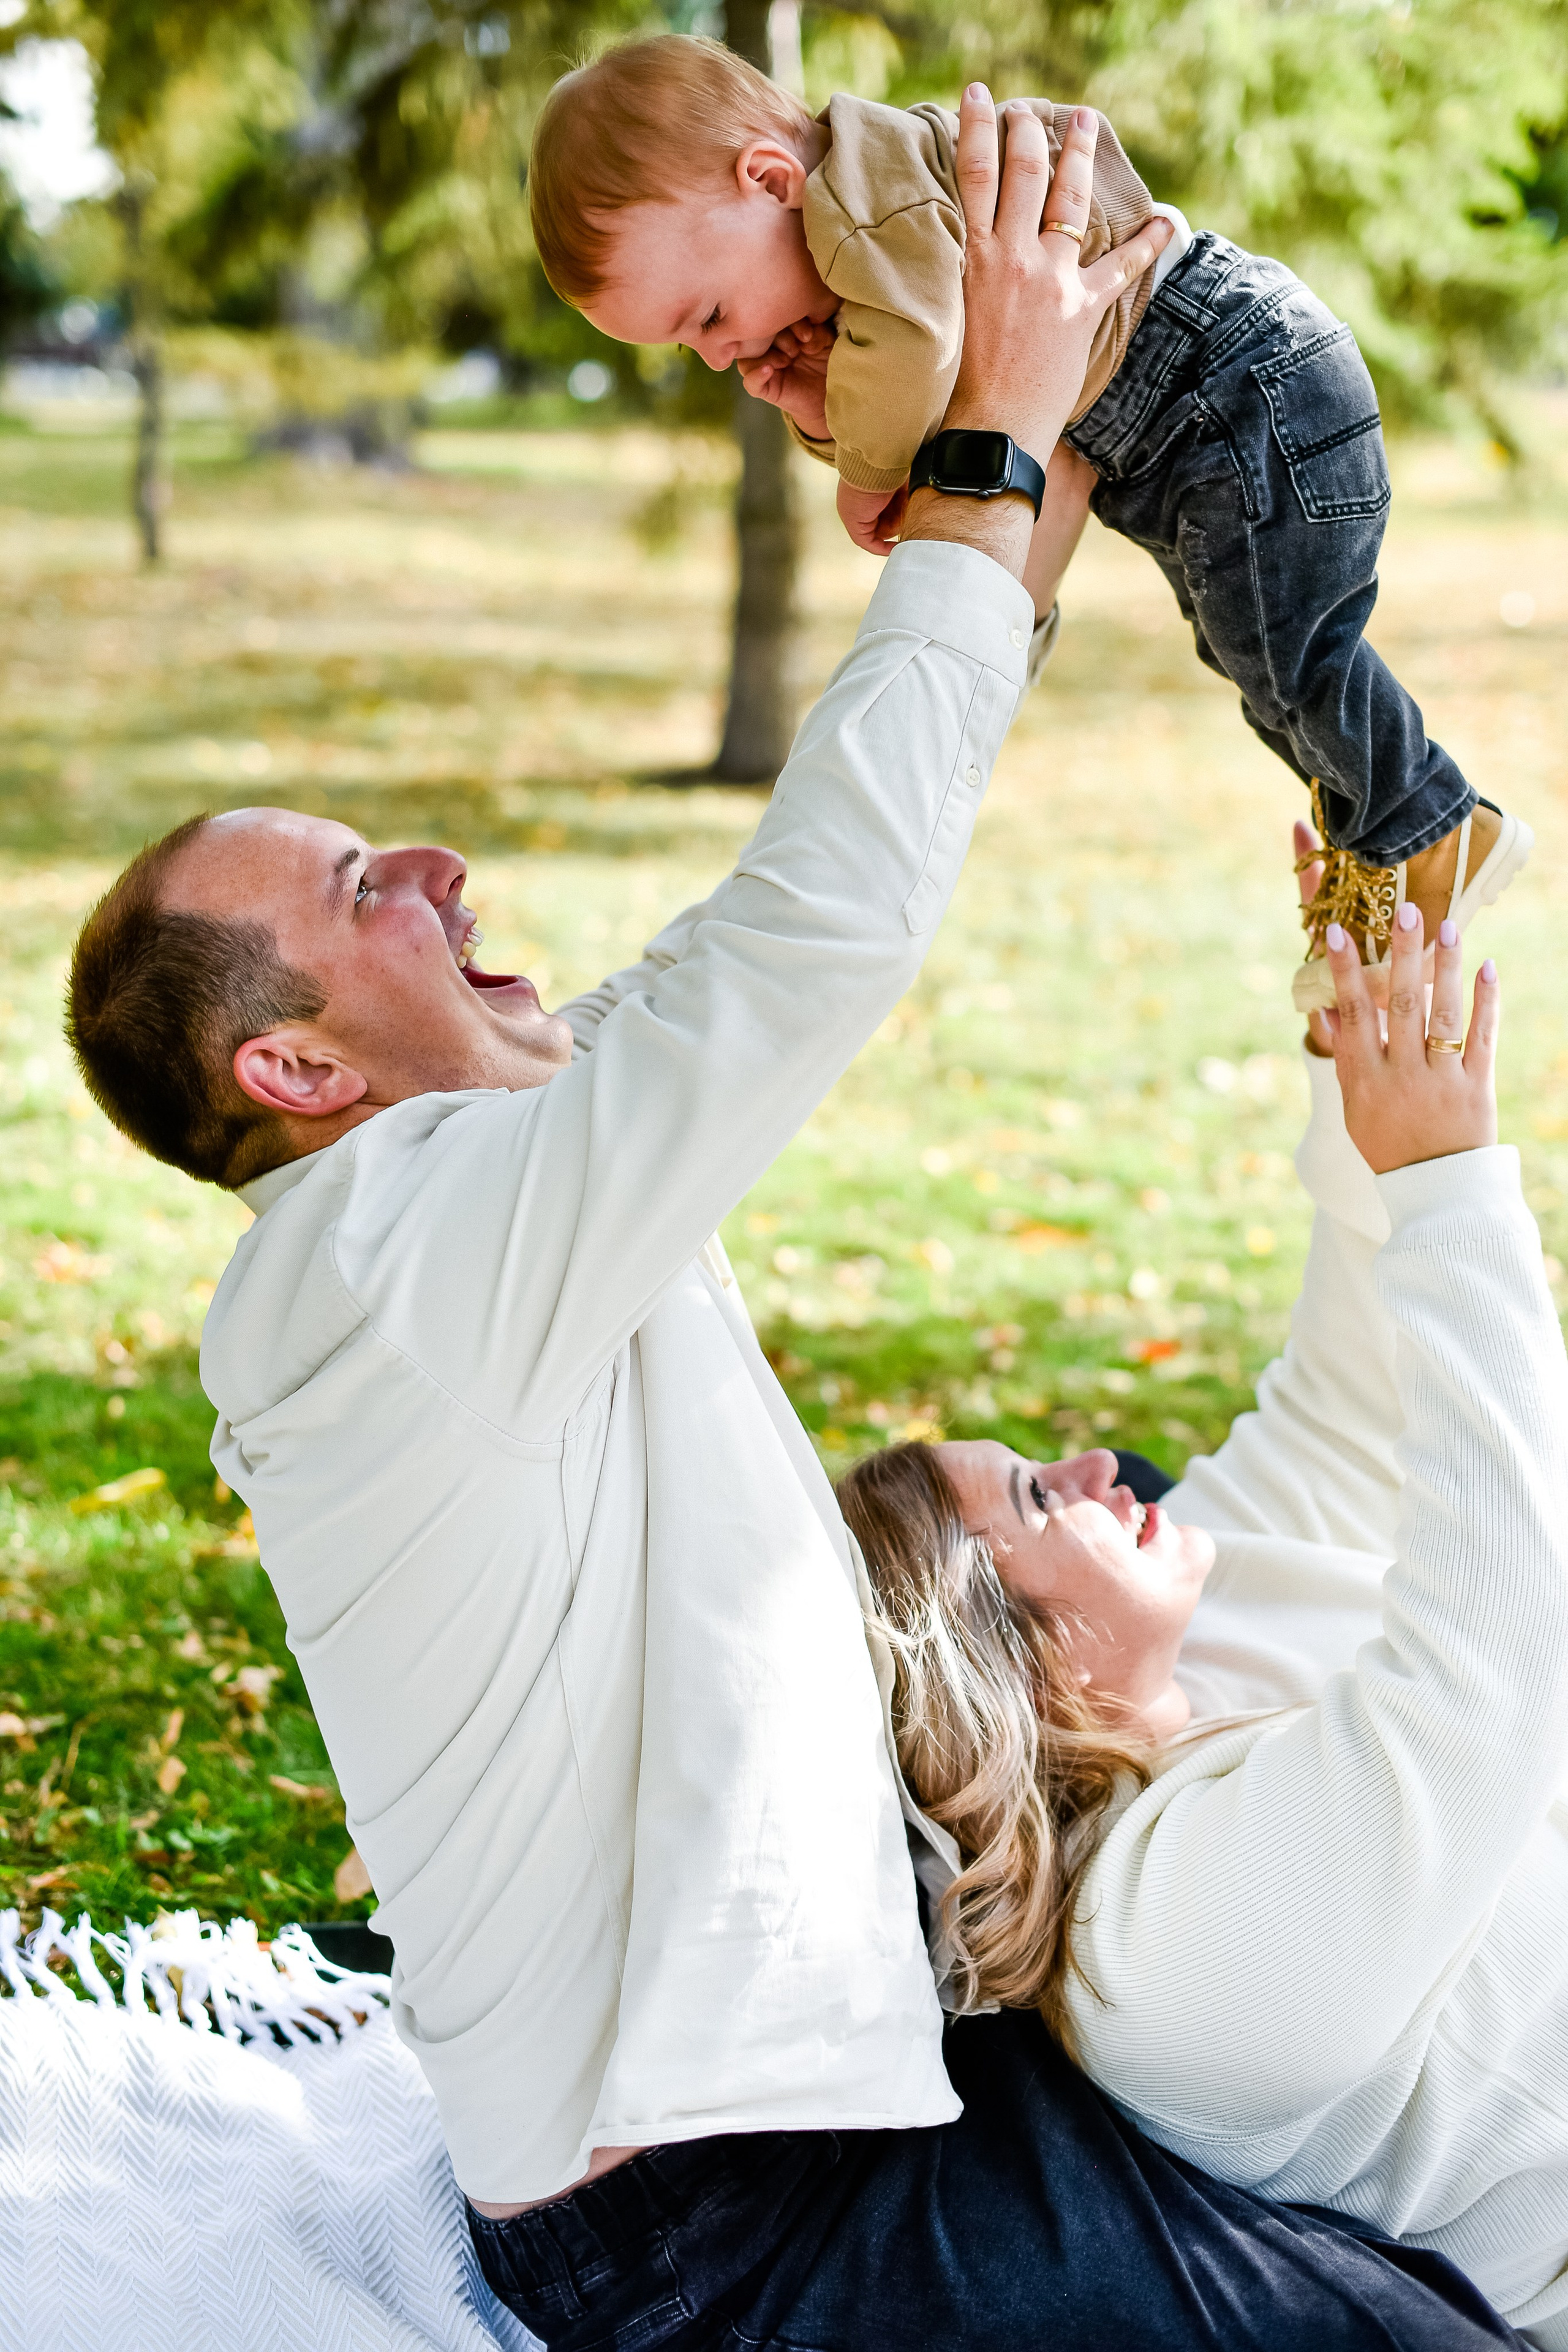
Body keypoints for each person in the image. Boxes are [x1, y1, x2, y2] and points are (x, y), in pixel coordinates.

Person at [62, 102, 1521, 2352]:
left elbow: (751, 957)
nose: (440, 869)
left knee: (1426, 2286)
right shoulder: (386, 1266)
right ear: (296, 1071)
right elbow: (801, 951)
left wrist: (1018, 457)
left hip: (864, 2100)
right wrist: (992, 438)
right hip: (725, 2223)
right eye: (368, 895)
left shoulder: (491, 1191)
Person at [840, 870, 1568, 2347]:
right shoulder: (1170, 1965)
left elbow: (1352, 1404)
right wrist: (1443, 1186)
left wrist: (1360, 987)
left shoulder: (1181, 1661)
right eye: (1041, 1500)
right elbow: (1499, 1641)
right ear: (1020, 1668)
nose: (1099, 1461)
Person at [527, 34, 1533, 1008]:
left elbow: (924, 357)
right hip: (1206, 425)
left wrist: (863, 473)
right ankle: (1399, 843)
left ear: (772, 180)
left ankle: (1424, 825)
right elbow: (965, 400)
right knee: (1262, 665)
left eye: (706, 317)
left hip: (1241, 386)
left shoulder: (873, 210)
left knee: (1286, 658)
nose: (717, 357)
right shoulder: (854, 245)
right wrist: (817, 407)